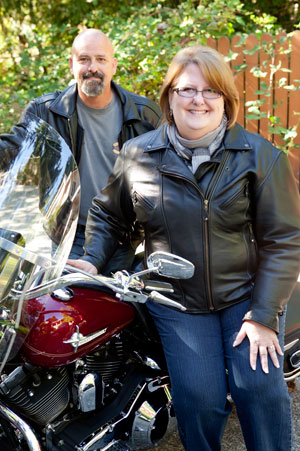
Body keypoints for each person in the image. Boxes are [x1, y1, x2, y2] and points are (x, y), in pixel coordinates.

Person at [67, 45, 300, 450]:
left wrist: (263, 316)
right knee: (198, 401)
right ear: (169, 96)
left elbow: (284, 241)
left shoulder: (261, 157)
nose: (198, 99)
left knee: (259, 390)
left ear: (226, 99)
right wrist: (90, 261)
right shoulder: (139, 155)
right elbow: (108, 215)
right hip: (176, 302)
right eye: (187, 89)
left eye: (211, 91)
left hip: (244, 296)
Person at [0, 28, 161, 273]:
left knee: (116, 307)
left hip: (123, 236)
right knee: (71, 305)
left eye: (101, 59)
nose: (92, 67)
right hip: (69, 235)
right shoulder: (46, 111)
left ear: (114, 65)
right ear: (71, 64)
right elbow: (13, 146)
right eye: (84, 59)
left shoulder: (145, 114)